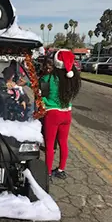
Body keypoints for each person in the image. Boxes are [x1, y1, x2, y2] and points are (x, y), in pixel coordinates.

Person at [40, 50, 81, 180]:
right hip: (67, 113)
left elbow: (39, 91)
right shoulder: (72, 80)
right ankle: (61, 169)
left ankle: (47, 173)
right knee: (63, 142)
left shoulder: (49, 78)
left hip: (52, 114)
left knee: (50, 144)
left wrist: (27, 83)